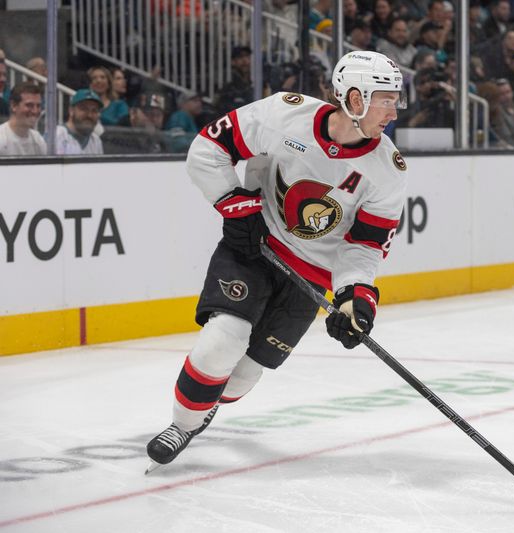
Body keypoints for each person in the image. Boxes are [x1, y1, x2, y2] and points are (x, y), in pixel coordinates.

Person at [146, 51, 408, 469]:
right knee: (222, 340)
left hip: (310, 277)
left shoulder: (387, 171)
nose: (394, 111)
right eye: (385, 99)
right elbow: (207, 149)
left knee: (245, 375)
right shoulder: (284, 115)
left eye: (396, 99)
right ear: (354, 98)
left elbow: (365, 246)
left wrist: (354, 298)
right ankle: (182, 425)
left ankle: (209, 401)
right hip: (254, 245)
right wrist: (234, 204)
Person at [0, 82, 46, 156]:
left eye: (38, 106)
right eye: (29, 105)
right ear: (13, 105)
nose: (35, 111)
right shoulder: (1, 138)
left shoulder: (38, 139)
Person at [55, 89, 104, 155]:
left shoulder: (96, 141)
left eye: (94, 110)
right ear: (71, 111)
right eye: (84, 109)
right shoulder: (56, 135)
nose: (89, 115)